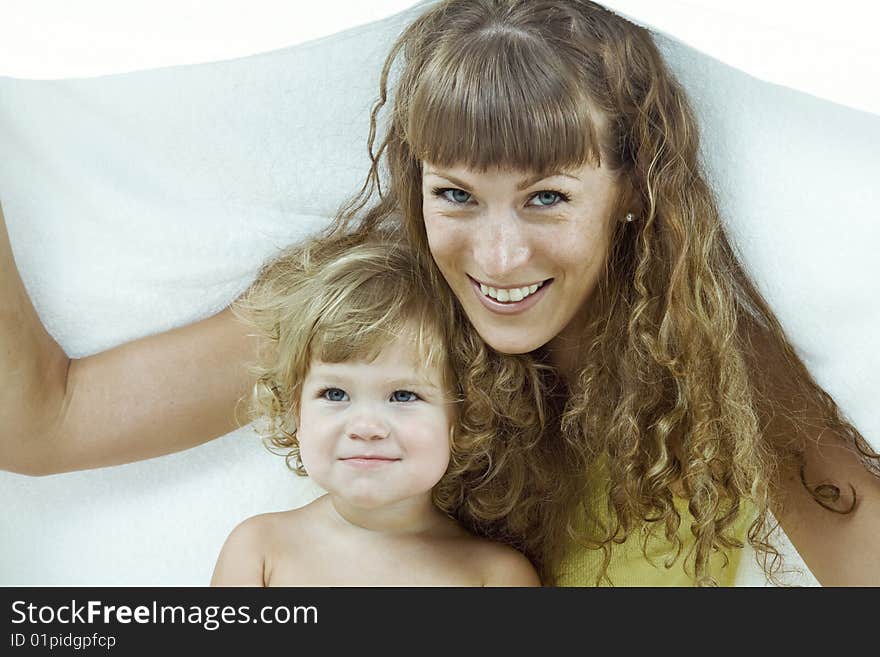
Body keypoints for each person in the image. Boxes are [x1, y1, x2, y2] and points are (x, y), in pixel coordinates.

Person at [2, 0, 878, 586]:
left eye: (547, 198)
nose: (497, 257)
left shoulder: (713, 360)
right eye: (455, 193)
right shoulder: (374, 317)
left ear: (633, 186)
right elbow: (43, 420)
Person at [209, 236, 540, 586]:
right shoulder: (260, 549)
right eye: (335, 393)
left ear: (463, 418)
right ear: (296, 412)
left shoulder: (494, 575)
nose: (366, 427)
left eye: (403, 396)